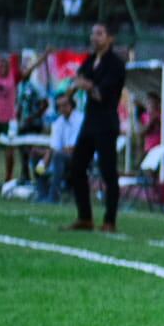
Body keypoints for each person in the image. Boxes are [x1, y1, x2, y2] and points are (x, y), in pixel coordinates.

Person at [64, 20, 126, 233]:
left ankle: (110, 220)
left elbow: (101, 94)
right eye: (93, 33)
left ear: (109, 38)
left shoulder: (116, 65)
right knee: (76, 167)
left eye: (99, 34)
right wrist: (73, 91)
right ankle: (85, 217)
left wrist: (87, 85)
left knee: (108, 172)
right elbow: (78, 79)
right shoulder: (90, 60)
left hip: (106, 123)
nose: (94, 38)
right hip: (89, 122)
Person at [37, 93, 81, 203]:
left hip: (81, 157)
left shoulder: (80, 120)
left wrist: (50, 152)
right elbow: (54, 146)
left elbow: (74, 148)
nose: (62, 108)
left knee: (57, 156)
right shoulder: (58, 122)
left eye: (64, 105)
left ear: (71, 105)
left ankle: (53, 196)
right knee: (36, 156)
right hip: (62, 157)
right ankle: (42, 196)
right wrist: (45, 157)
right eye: (59, 106)